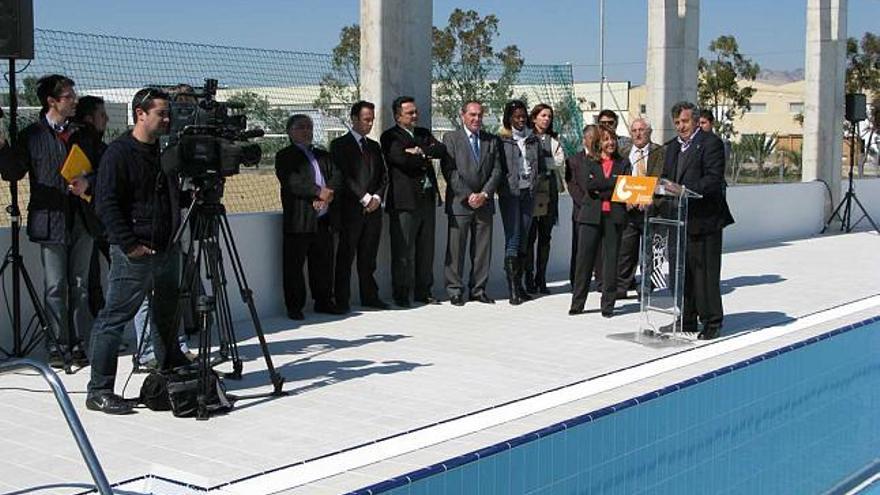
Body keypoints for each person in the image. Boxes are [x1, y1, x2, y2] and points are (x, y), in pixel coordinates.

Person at [87, 88, 191, 414]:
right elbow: (105, 202)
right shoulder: (119, 153)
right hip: (136, 251)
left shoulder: (164, 152)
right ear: (140, 114)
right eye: (161, 113)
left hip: (166, 246)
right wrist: (129, 244)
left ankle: (169, 367)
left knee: (167, 312)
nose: (167, 119)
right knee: (114, 317)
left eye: (168, 113)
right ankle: (99, 389)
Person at [0, 75, 96, 367]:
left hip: (82, 218)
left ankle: (80, 343)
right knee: (55, 286)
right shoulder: (32, 135)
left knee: (80, 284)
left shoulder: (83, 133)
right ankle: (57, 345)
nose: (75, 100)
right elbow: (12, 172)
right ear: (51, 101)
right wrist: (2, 146)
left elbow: (102, 166)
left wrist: (87, 181)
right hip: (50, 220)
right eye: (68, 96)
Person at [661, 101, 734, 340]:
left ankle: (712, 320)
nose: (681, 126)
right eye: (678, 123)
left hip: (705, 219)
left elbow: (713, 180)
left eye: (685, 121)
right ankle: (687, 317)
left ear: (695, 120)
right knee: (683, 273)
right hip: (680, 220)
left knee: (705, 273)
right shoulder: (671, 147)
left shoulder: (710, 143)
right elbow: (666, 178)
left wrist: (684, 189)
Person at [276, 114, 344, 320]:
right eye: (301, 127)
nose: (307, 131)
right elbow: (293, 182)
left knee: (323, 262)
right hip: (300, 219)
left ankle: (324, 301)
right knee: (294, 265)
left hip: (324, 219)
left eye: (309, 127)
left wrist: (328, 194)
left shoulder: (323, 155)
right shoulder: (285, 156)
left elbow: (338, 175)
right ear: (290, 131)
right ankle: (295, 306)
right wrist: (317, 192)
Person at [380, 96, 446, 307]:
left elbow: (440, 150)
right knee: (403, 249)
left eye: (416, 112)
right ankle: (401, 292)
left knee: (426, 249)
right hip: (404, 201)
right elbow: (401, 160)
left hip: (426, 199)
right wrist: (421, 155)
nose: (415, 116)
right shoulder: (390, 136)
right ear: (398, 115)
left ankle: (423, 291)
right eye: (410, 113)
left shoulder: (422, 134)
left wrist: (420, 151)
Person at [440, 100, 503, 306]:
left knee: (482, 250)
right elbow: (449, 171)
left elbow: (497, 170)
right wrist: (468, 195)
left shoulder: (491, 140)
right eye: (472, 115)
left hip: (484, 203)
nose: (476, 119)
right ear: (463, 115)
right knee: (456, 249)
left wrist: (484, 194)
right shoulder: (451, 139)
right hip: (460, 203)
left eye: (479, 115)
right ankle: (455, 290)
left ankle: (478, 289)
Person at [331, 101, 389, 312]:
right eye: (366, 119)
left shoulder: (374, 146)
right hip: (351, 211)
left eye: (372, 119)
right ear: (354, 119)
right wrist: (364, 197)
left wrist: (376, 198)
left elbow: (383, 176)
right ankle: (342, 300)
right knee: (346, 257)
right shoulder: (339, 145)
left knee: (368, 257)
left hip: (373, 211)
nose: (370, 123)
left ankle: (370, 296)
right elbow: (344, 176)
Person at [569, 125, 630, 317]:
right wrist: (613, 182)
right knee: (584, 260)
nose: (610, 143)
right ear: (599, 143)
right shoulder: (589, 161)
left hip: (614, 216)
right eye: (605, 139)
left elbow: (624, 187)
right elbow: (589, 185)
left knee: (611, 261)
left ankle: (608, 305)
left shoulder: (623, 163)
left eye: (613, 139)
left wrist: (605, 184)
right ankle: (577, 303)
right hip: (590, 216)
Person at [497, 100, 542, 305]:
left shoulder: (533, 139)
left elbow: (539, 164)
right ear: (509, 118)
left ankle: (521, 284)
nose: (521, 119)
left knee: (525, 236)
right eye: (516, 116)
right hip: (511, 193)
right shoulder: (502, 140)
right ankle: (512, 288)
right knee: (513, 237)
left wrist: (535, 180)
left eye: (523, 116)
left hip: (528, 192)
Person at [616, 118, 665, 299]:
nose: (637, 133)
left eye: (641, 130)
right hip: (629, 210)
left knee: (650, 251)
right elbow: (619, 177)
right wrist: (625, 199)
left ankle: (646, 286)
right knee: (626, 251)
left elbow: (660, 177)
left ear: (649, 132)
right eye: (634, 130)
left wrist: (647, 197)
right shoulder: (623, 152)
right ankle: (622, 287)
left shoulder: (660, 151)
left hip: (652, 209)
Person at [71, 96, 110, 319]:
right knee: (90, 278)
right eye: (101, 115)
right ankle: (101, 327)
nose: (106, 119)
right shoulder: (86, 142)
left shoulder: (97, 143)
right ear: (88, 118)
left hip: (95, 219)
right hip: (90, 220)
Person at [524, 103, 565, 295]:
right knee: (529, 236)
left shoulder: (553, 140)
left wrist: (541, 162)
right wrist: (544, 162)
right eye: (542, 116)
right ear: (534, 118)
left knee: (545, 237)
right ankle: (528, 277)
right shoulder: (526, 137)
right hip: (531, 191)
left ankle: (541, 277)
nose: (546, 119)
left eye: (549, 116)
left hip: (549, 191)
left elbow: (559, 161)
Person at [565, 124, 598, 285]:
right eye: (591, 138)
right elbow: (572, 185)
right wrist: (586, 203)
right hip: (581, 211)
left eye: (596, 138)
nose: (593, 142)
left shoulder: (603, 159)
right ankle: (577, 282)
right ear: (584, 140)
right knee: (579, 249)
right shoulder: (573, 160)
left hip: (600, 211)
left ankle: (600, 281)